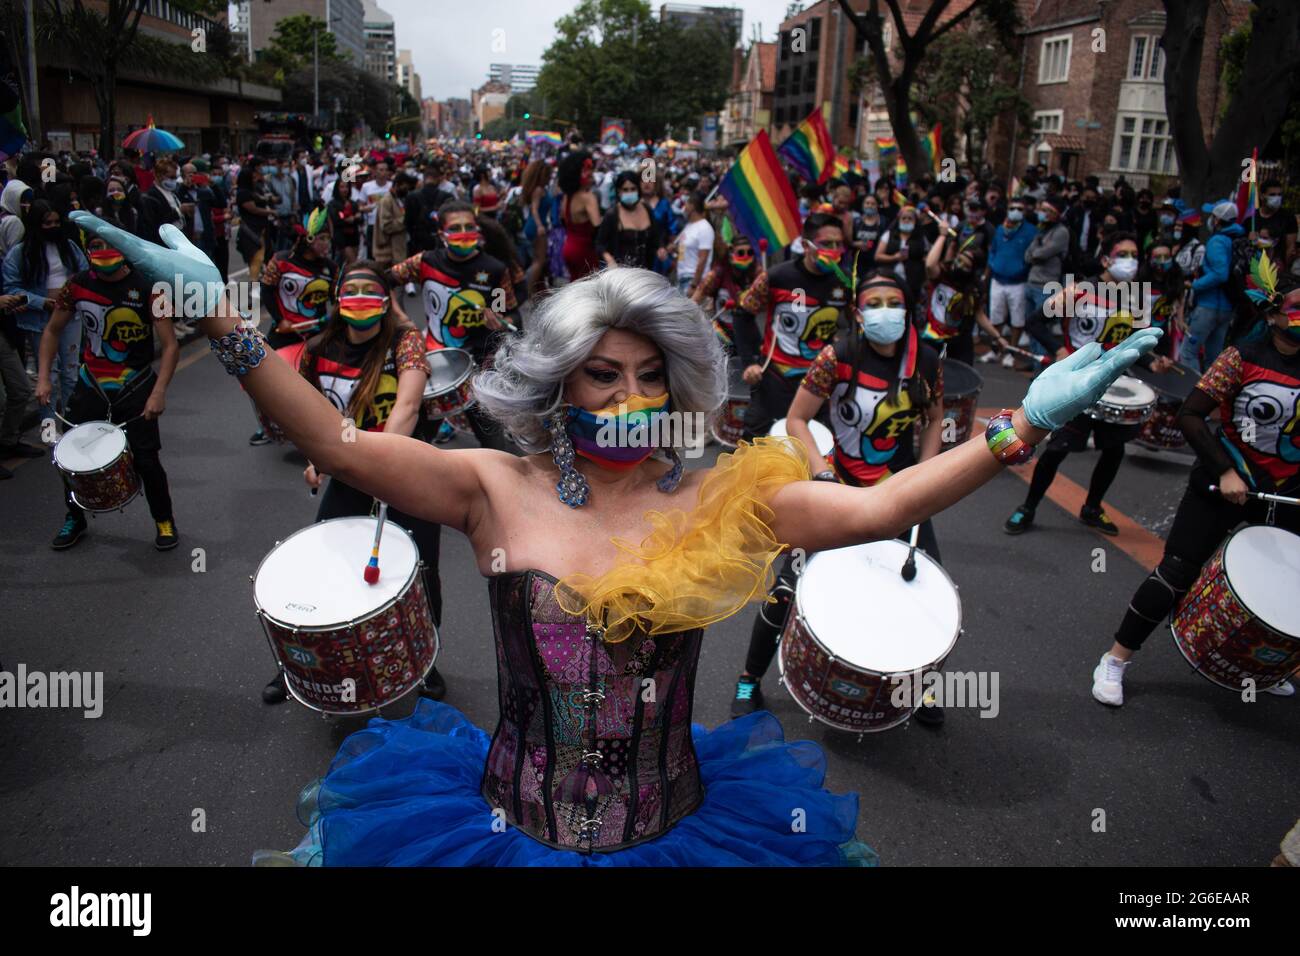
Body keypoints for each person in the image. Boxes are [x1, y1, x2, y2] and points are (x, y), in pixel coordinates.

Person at [71, 204, 1158, 865]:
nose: (630, 398)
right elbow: (345, 450)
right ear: (558, 381)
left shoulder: (723, 492)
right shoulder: (492, 483)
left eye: (650, 375)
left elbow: (878, 508)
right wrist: (226, 322)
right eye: (604, 373)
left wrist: (1025, 423)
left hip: (681, 828)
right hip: (499, 828)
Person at [729, 269, 947, 721]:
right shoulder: (838, 355)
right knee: (788, 588)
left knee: (924, 587)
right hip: (836, 487)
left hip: (897, 492)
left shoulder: (926, 361)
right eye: (874, 303)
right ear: (858, 312)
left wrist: (926, 477)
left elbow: (933, 421)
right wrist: (821, 472)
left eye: (894, 302)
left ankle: (918, 688)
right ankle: (749, 678)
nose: (884, 311)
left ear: (909, 309)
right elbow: (796, 421)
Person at [1092, 255, 1300, 706]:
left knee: (1284, 583)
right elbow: (1191, 415)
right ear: (1272, 312)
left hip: (1286, 491)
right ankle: (1115, 659)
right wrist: (1225, 470)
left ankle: (1258, 667)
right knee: (1177, 573)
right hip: (1224, 477)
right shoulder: (1240, 357)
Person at [261, 261, 447, 705]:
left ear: (385, 301)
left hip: (409, 471)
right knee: (324, 568)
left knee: (420, 571)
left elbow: (407, 408)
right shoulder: (317, 347)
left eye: (371, 291)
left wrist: (381, 466)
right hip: (349, 474)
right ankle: (301, 665)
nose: (360, 299)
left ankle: (425, 660)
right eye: (352, 290)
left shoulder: (406, 344)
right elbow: (306, 415)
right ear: (339, 299)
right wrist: (316, 460)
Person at [1005, 232, 1175, 536]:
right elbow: (1034, 322)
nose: (1130, 262)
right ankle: (1028, 507)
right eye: (1123, 254)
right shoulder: (1079, 290)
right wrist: (1057, 348)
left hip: (1114, 386)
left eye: (1135, 255)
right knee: (1057, 449)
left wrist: (1152, 362)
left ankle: (1092, 507)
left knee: (1114, 451)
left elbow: (1128, 347)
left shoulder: (1134, 298)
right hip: (1075, 382)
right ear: (1106, 259)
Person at [36, 232, 179, 551]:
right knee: (70, 452)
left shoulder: (149, 288)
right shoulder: (76, 285)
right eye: (95, 246)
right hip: (92, 384)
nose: (101, 252)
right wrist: (44, 377)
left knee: (146, 459)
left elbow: (170, 345)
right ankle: (74, 518)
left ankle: (164, 520)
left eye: (107, 245)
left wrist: (159, 391)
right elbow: (52, 330)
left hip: (135, 385)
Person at [386, 201, 519, 451]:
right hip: (434, 365)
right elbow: (383, 281)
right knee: (417, 440)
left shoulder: (493, 270)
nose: (463, 232)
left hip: (478, 368)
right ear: (441, 234)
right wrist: (401, 319)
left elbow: (509, 313)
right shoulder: (424, 262)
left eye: (469, 226)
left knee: (493, 443)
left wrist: (501, 321)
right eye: (455, 227)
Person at [2, 201, 87, 422]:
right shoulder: (21, 253)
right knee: (48, 375)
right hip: (40, 320)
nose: (53, 226)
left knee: (71, 373)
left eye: (57, 222)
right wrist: (42, 302)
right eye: (47, 223)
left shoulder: (69, 247)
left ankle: (72, 426)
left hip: (70, 316)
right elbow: (11, 288)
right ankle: (49, 429)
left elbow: (86, 274)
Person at [921, 228, 1008, 366]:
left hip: (958, 341)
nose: (959, 266)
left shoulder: (974, 289)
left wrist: (997, 337)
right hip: (931, 336)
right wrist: (943, 236)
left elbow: (979, 315)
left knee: (962, 378)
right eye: (959, 260)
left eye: (965, 265)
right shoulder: (942, 275)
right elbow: (930, 264)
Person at [1182, 200, 1244, 372]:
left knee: (1188, 352)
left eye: (1212, 216)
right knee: (1214, 357)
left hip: (1209, 306)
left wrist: (1195, 285)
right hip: (1227, 308)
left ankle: (1189, 394)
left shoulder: (1217, 241)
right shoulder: (1238, 239)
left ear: (1217, 220)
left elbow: (1220, 274)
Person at [986, 195, 1036, 367]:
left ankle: (1011, 352)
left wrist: (1022, 269)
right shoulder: (1000, 229)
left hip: (1018, 283)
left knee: (1017, 320)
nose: (1016, 212)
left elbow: (1032, 255)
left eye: (1020, 209)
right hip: (998, 280)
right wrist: (992, 264)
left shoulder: (1031, 231)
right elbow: (993, 250)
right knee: (996, 317)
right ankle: (995, 349)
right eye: (1012, 208)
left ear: (1025, 211)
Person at [595, 170, 666, 271]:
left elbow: (656, 237)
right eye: (625, 189)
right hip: (622, 274)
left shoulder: (646, 209)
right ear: (619, 191)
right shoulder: (612, 214)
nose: (629, 193)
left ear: (638, 190)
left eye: (633, 189)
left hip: (646, 271)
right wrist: (610, 260)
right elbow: (600, 244)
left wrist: (661, 248)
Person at [557, 150, 600, 281]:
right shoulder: (588, 198)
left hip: (568, 247)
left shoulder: (566, 197)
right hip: (585, 251)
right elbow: (598, 227)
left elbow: (563, 220)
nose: (591, 174)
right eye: (588, 170)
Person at [234, 164, 276, 281]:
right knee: (255, 258)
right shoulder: (243, 193)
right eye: (252, 178)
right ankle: (254, 286)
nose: (255, 180)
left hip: (261, 228)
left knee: (265, 256)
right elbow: (253, 209)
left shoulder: (253, 190)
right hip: (251, 229)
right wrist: (271, 212)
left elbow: (262, 199)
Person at [520, 159, 554, 297]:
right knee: (538, 261)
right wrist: (540, 226)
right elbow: (534, 209)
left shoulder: (540, 189)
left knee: (538, 260)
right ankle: (529, 292)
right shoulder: (539, 190)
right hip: (536, 226)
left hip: (534, 225)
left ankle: (536, 290)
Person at [372, 171, 414, 271]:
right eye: (404, 187)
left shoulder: (400, 199)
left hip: (400, 249)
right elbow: (386, 226)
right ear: (397, 185)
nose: (406, 190)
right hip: (388, 253)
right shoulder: (387, 201)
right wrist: (406, 219)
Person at [327, 176, 362, 266]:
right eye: (342, 187)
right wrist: (351, 219)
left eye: (346, 187)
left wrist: (353, 218)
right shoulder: (333, 204)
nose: (344, 189)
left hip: (354, 236)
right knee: (353, 262)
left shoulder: (353, 203)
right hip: (341, 238)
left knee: (349, 263)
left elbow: (360, 219)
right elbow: (336, 220)